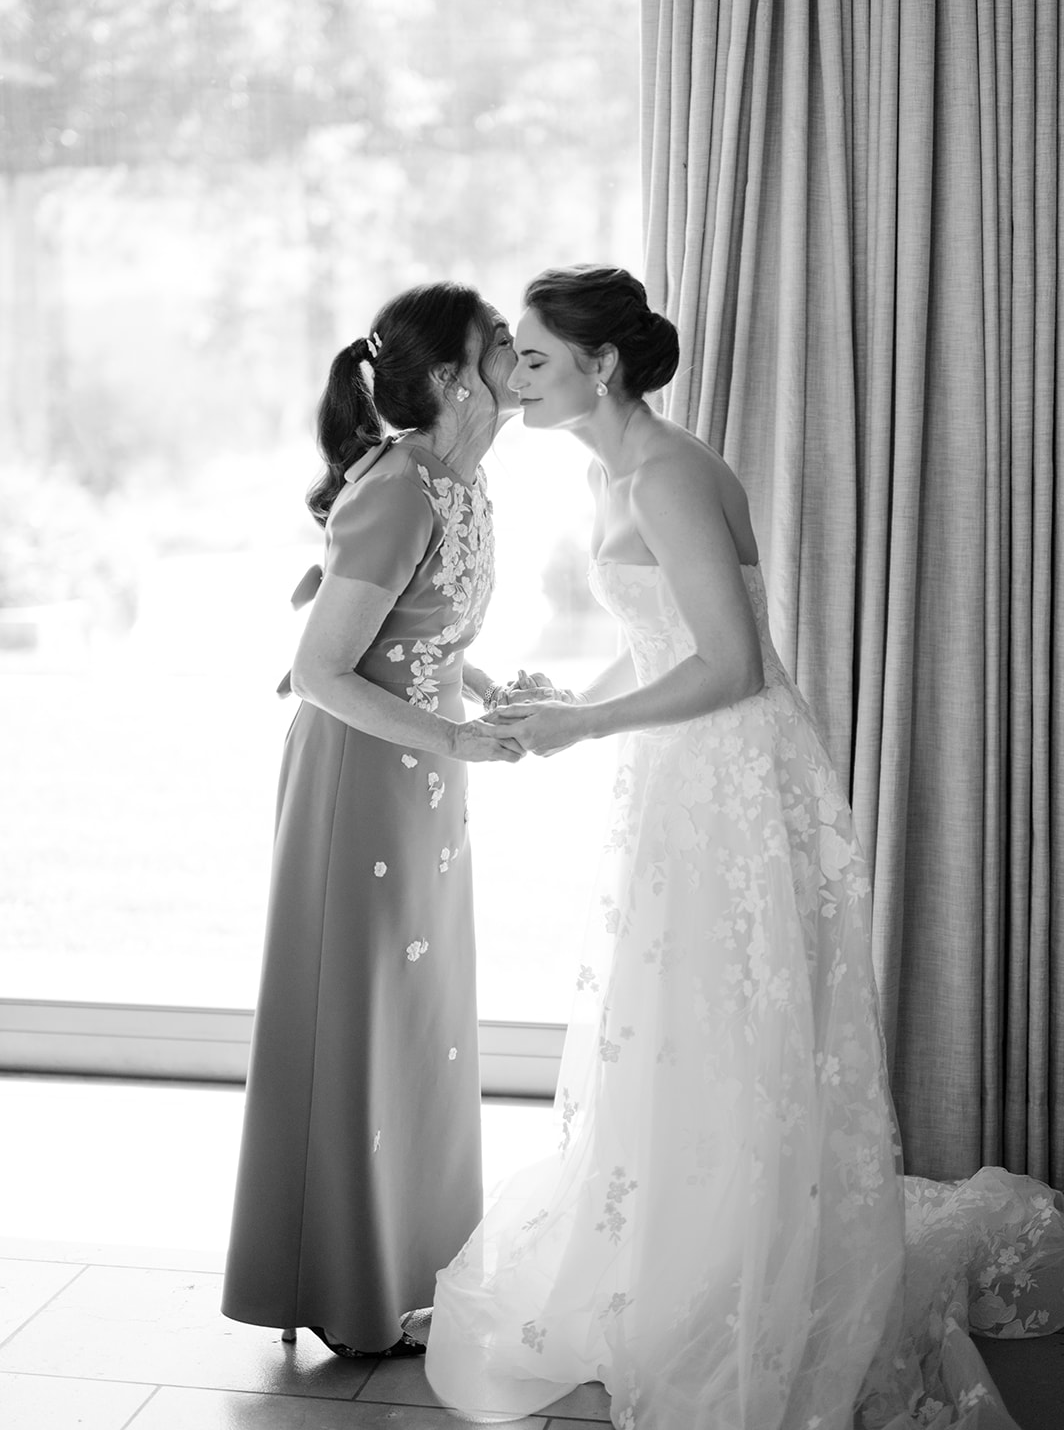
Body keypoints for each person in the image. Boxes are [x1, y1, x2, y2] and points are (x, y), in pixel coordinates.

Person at [424, 266, 1064, 1429]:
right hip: (680, 776)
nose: (508, 380)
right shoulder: (612, 474)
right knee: (677, 1023)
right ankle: (689, 1253)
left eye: (529, 358)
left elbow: (729, 665)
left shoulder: (667, 475)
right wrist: (565, 702)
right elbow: (664, 641)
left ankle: (750, 1279)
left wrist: (585, 725)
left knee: (732, 1024)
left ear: (598, 365)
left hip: (733, 780)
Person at [222, 281, 526, 1362]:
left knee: (421, 1022)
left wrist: (480, 689)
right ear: (450, 378)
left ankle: (414, 1275)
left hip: (424, 784)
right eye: (499, 340)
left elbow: (415, 631)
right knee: (362, 1021)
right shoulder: (398, 490)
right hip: (362, 785)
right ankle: (346, 1285)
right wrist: (452, 738)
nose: (519, 349)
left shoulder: (468, 484)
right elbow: (318, 672)